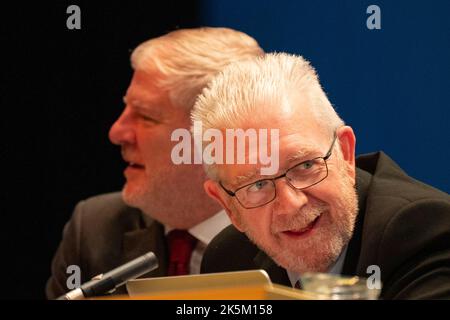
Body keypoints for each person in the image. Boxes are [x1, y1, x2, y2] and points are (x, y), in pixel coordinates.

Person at [192, 53, 450, 299]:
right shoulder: (229, 261)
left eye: (304, 166)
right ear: (228, 207)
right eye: (257, 184)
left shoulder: (424, 232)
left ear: (346, 153)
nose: (291, 204)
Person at [46, 27, 264, 299]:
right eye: (126, 109)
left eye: (146, 117)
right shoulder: (94, 228)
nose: (116, 132)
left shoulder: (294, 236)